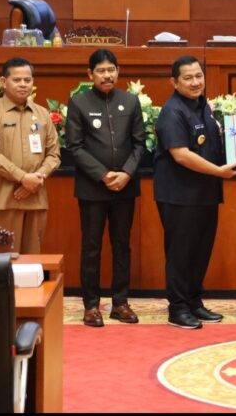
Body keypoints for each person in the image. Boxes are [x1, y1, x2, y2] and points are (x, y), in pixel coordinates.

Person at [154, 55, 236, 329]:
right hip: (179, 196)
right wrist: (219, 172)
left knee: (200, 251)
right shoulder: (172, 111)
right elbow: (181, 155)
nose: (195, 82)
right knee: (181, 253)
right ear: (174, 82)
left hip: (205, 194)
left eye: (198, 76)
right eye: (188, 78)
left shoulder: (203, 106)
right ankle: (177, 308)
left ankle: (193, 301)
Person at [66, 48, 145, 328]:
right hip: (93, 188)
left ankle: (120, 302)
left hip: (125, 186)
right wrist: (103, 175)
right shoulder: (79, 102)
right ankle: (91, 305)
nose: (107, 75)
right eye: (100, 70)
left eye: (111, 69)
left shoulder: (130, 102)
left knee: (122, 245)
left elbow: (139, 144)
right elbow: (74, 147)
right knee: (91, 247)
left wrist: (125, 173)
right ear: (90, 74)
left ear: (118, 71)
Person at [0, 57, 60, 254]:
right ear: (4, 82)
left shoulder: (42, 114)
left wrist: (36, 180)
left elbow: (54, 154)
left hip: (35, 200)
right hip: (1, 201)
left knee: (31, 265)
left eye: (27, 80)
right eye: (17, 80)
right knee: (0, 262)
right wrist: (23, 178)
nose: (23, 84)